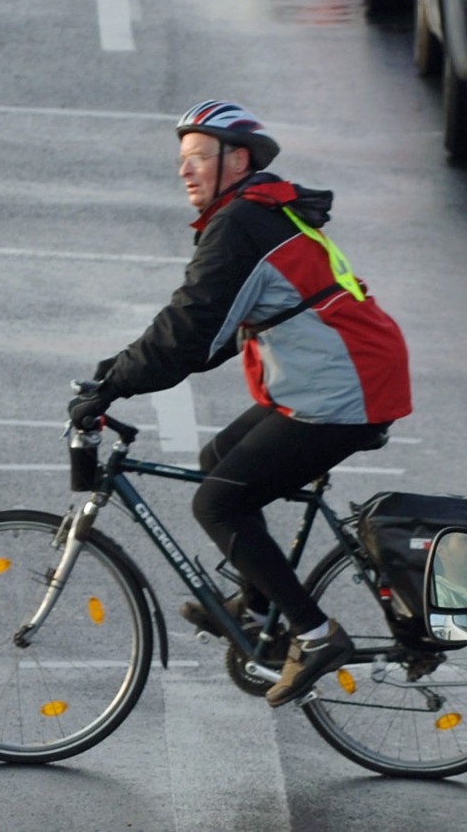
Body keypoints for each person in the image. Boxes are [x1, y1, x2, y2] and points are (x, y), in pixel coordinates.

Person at [69, 100, 412, 707]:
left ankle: (313, 634)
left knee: (219, 503)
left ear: (238, 159)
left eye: (199, 156)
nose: (185, 169)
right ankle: (255, 603)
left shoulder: (244, 224)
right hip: (335, 381)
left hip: (345, 389)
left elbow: (191, 325)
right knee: (219, 455)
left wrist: (116, 383)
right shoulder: (252, 215)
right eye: (181, 159)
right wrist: (117, 376)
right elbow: (216, 333)